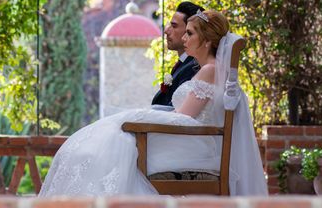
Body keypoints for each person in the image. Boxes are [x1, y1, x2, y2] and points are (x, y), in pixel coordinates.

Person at [39, 10, 267, 196]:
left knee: (113, 147)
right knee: (105, 146)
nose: (184, 38)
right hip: (184, 141)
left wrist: (141, 118)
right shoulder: (206, 69)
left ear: (206, 41)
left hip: (191, 145)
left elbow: (184, 119)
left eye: (189, 33)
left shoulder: (210, 70)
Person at [151, 1, 205, 108]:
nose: (166, 31)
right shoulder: (184, 64)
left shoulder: (194, 67)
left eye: (174, 26)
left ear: (190, 31)